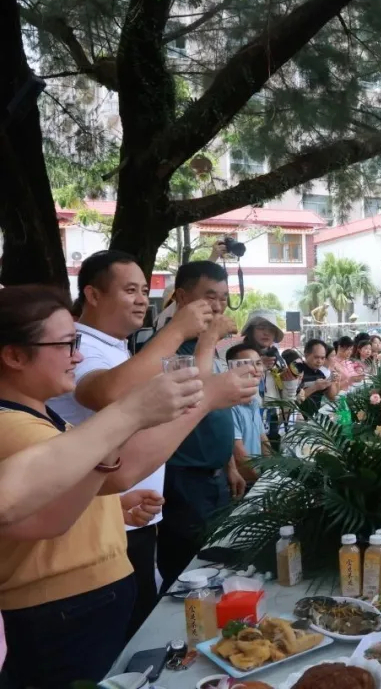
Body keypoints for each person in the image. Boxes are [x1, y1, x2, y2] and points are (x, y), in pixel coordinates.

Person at [0, 285, 254, 687]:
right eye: (66, 345)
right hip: (61, 609)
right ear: (14, 356)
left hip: (79, 602)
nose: (77, 356)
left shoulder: (38, 416)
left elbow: (62, 495)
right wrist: (171, 405)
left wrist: (107, 507)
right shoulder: (13, 427)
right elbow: (98, 484)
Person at [46, 250, 215, 641]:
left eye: (143, 290)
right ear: (93, 294)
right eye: (130, 290)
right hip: (97, 525)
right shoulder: (83, 345)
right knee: (123, 642)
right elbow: (105, 393)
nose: (142, 300)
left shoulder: (116, 347)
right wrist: (176, 331)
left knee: (140, 629)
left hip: (127, 511)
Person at [157, 261, 252, 593]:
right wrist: (210, 338)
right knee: (188, 572)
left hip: (215, 475)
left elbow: (216, 410)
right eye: (210, 297)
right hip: (183, 478)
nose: (218, 307)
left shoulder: (208, 347)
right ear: (182, 298)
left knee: (217, 562)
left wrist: (230, 465)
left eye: (223, 298)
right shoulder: (167, 347)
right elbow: (196, 396)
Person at [225, 343, 269, 486]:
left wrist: (275, 470)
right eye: (248, 365)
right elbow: (239, 456)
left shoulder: (253, 401)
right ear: (232, 369)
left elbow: (263, 440)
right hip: (244, 484)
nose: (256, 370)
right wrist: (263, 484)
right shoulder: (229, 405)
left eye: (258, 363)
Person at [297, 339, 338, 404]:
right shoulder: (297, 371)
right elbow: (293, 401)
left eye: (322, 358)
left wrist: (332, 380)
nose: (319, 361)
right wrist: (314, 387)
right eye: (316, 357)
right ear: (306, 355)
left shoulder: (320, 374)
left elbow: (332, 397)